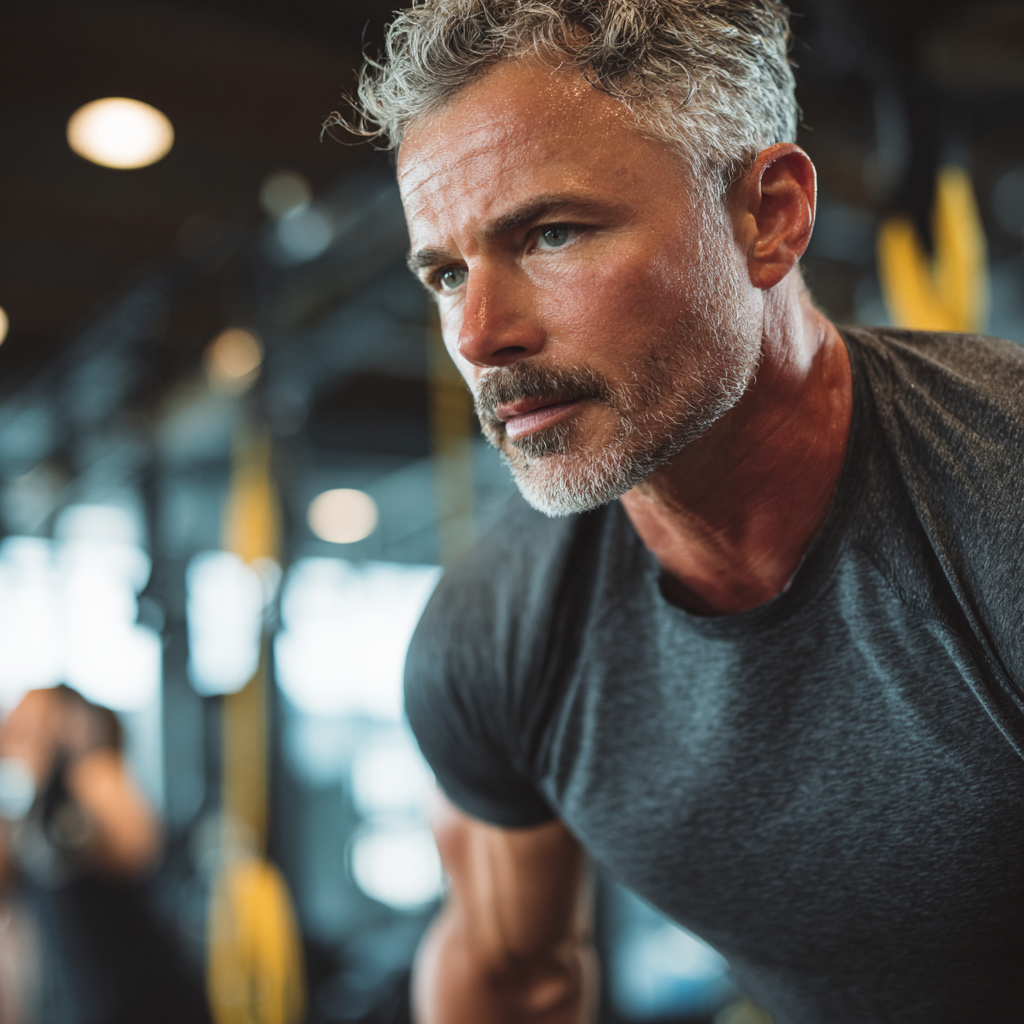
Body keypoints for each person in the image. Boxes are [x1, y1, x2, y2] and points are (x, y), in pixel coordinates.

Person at [339, 2, 1024, 1021]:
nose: (479, 334)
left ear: (770, 217)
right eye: (446, 273)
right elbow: (509, 975)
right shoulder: (493, 634)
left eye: (551, 232)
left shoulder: (995, 503)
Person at [0, 686, 209, 1024]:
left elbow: (139, 847)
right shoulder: (27, 810)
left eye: (28, 718)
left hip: (156, 1004)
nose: (13, 727)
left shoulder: (94, 777)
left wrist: (76, 746)